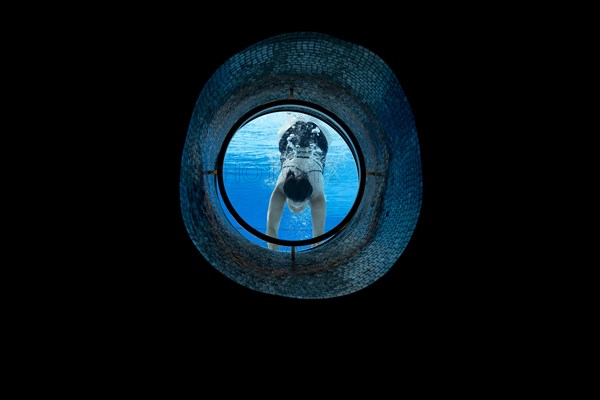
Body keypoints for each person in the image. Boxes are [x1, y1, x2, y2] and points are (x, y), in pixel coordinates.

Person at [266, 120, 329, 250]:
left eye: (294, 207)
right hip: (317, 143)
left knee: (291, 131)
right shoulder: (280, 189)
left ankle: (295, 119)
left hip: (292, 142)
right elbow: (271, 229)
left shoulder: (317, 196)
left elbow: (318, 238)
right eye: (298, 207)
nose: (296, 210)